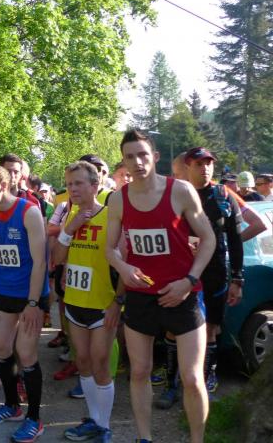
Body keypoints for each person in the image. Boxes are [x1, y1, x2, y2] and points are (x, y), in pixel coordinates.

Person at [105, 130, 215, 443]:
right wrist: (124, 267)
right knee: (140, 372)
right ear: (123, 162)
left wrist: (189, 281)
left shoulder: (180, 190)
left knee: (192, 378)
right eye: (130, 157)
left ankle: (197, 440)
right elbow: (109, 249)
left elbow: (207, 238)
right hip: (141, 297)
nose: (137, 162)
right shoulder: (118, 199)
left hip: (183, 294)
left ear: (154, 157)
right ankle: (144, 437)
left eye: (143, 155)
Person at [155, 147, 244, 409]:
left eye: (209, 163)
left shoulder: (223, 196)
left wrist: (238, 279)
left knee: (210, 329)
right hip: (181, 272)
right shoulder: (175, 194)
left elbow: (236, 240)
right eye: (198, 164)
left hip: (215, 273)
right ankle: (171, 386)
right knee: (173, 328)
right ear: (187, 167)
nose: (205, 168)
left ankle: (204, 384)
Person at [0, 166, 49, 443]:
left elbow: (40, 261)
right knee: (0, 347)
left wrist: (33, 302)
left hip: (30, 293)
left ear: (3, 185)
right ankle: (12, 405)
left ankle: (34, 418)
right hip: (3, 291)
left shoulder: (29, 211)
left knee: (26, 352)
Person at [52, 162, 120, 443]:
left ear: (95, 186)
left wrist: (118, 302)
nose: (73, 189)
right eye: (69, 184)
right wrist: (72, 227)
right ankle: (93, 419)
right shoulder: (71, 215)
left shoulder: (111, 216)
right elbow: (57, 258)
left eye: (79, 183)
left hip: (102, 303)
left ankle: (104, 426)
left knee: (100, 362)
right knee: (82, 361)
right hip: (75, 302)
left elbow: (124, 261)